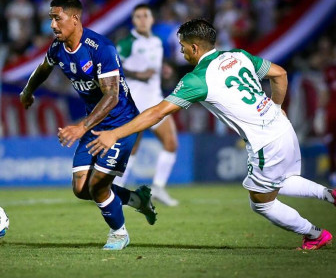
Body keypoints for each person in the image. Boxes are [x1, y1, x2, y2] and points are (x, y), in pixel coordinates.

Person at [88, 19, 336, 250]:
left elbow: (157, 113)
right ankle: (330, 194)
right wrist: (278, 107)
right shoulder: (237, 55)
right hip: (283, 129)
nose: (181, 52)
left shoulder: (197, 79)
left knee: (261, 202)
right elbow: (280, 74)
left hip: (265, 142)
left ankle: (315, 235)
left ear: (195, 48)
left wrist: (115, 133)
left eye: (183, 47)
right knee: (280, 181)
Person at [19, 0, 157, 250]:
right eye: (51, 19)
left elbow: (112, 96)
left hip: (121, 125)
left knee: (97, 186)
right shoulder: (58, 48)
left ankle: (119, 233)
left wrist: (81, 126)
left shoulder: (100, 48)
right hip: (94, 125)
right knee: (81, 188)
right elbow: (43, 68)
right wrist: (28, 91)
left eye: (57, 19)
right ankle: (139, 200)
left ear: (75, 18)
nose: (52, 25)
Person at [114, 4, 179, 206]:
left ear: (152, 19)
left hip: (155, 99)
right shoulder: (128, 42)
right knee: (132, 147)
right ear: (133, 21)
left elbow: (156, 67)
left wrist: (165, 70)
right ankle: (115, 187)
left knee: (171, 143)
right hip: (134, 100)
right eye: (138, 16)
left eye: (145, 16)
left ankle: (158, 187)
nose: (142, 19)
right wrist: (137, 74)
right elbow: (114, 66)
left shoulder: (158, 42)